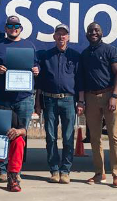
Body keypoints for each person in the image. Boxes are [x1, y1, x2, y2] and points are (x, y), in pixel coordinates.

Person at [0, 15, 39, 181]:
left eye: (16, 26)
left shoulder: (29, 46)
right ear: (5, 28)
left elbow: (37, 65)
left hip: (24, 97)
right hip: (3, 99)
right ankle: (0, 168)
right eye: (9, 26)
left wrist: (37, 70)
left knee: (20, 134)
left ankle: (16, 170)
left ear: (21, 28)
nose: (13, 29)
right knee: (2, 133)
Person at [35, 24, 84, 184]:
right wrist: (37, 102)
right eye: (59, 34)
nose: (61, 37)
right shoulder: (46, 56)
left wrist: (81, 101)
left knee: (69, 137)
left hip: (68, 100)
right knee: (50, 137)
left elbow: (79, 82)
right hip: (49, 99)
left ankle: (65, 171)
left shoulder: (75, 56)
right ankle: (54, 170)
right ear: (54, 36)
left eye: (64, 34)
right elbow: (40, 82)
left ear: (68, 37)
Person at [80, 22, 117, 188]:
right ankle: (100, 173)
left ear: (102, 32)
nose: (94, 32)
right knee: (95, 138)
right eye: (91, 30)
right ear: (87, 34)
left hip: (109, 96)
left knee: (114, 136)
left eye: (97, 30)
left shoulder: (110, 50)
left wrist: (114, 95)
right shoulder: (84, 54)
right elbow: (82, 79)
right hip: (91, 98)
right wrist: (82, 100)